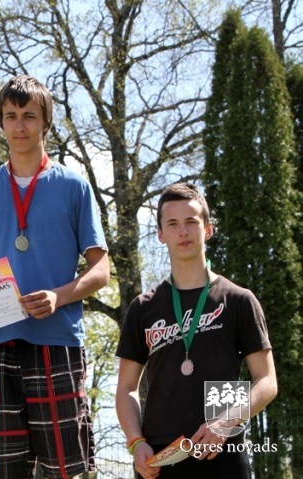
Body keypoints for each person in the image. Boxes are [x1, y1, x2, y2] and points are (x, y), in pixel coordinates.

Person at [0, 74, 110, 479]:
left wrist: (59, 296)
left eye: (29, 116)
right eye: (11, 116)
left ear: (45, 122)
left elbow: (101, 270)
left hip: (56, 341)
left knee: (66, 468)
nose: (19, 125)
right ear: (1, 123)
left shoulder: (74, 186)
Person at [115, 182, 278, 478]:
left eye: (191, 221)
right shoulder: (143, 307)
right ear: (160, 234)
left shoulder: (238, 299)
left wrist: (225, 422)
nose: (183, 231)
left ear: (208, 229)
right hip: (159, 455)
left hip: (223, 449)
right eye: (173, 223)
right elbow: (126, 387)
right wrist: (135, 442)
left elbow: (266, 380)